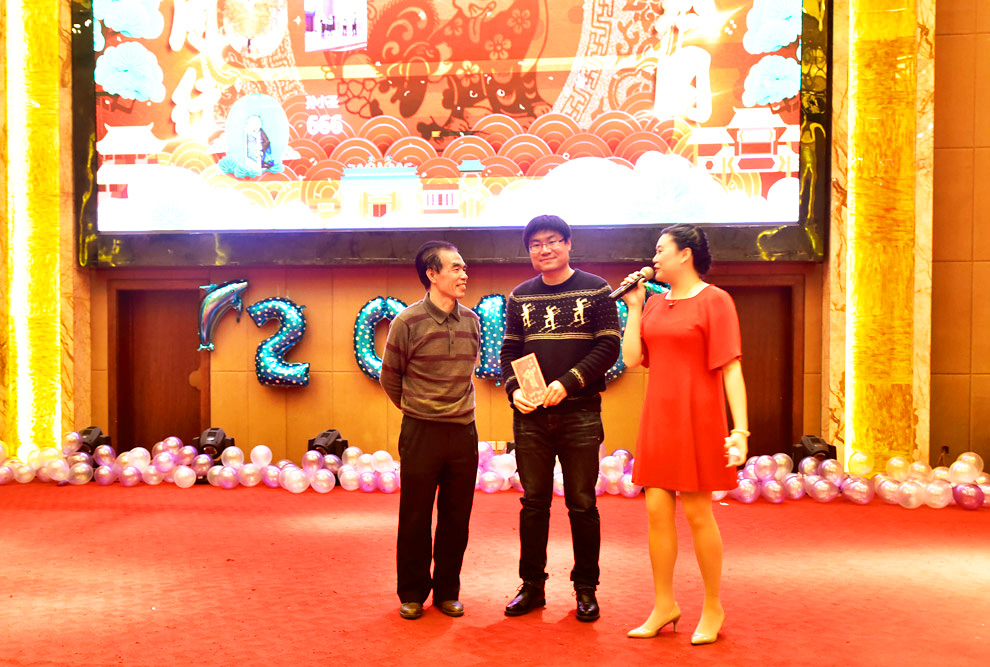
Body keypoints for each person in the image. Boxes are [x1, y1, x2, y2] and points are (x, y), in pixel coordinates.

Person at [618, 223, 748, 645]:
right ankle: (664, 605)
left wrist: (741, 429)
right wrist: (634, 307)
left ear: (685, 254)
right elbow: (632, 359)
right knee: (657, 512)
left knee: (697, 512)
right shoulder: (654, 303)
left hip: (699, 417)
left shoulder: (715, 300)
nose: (654, 258)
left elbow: (731, 367)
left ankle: (713, 606)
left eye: (661, 250)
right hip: (658, 417)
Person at [500, 215, 621, 622]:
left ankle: (586, 588)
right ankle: (531, 586)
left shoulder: (597, 289)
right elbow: (510, 352)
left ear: (568, 244)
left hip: (580, 413)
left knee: (582, 503)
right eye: (536, 244)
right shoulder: (519, 296)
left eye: (552, 241)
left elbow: (608, 347)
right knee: (533, 503)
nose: (544, 249)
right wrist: (514, 390)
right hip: (532, 419)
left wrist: (568, 383)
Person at [380, 241, 481, 620]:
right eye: (455, 268)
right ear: (432, 274)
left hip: (463, 432)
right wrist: (418, 409)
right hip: (421, 431)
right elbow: (390, 377)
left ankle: (447, 592)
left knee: (457, 517)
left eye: (464, 268)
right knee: (415, 516)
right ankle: (411, 592)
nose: (464, 274)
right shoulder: (407, 322)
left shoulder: (472, 321)